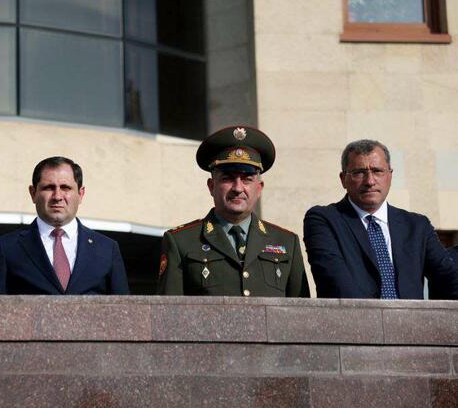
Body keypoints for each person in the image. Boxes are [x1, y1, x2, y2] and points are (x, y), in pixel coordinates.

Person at [157, 126, 308, 297]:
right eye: (227, 178)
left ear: (259, 188)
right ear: (211, 186)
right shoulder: (181, 241)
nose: (238, 188)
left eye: (247, 179)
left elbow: (302, 311)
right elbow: (168, 310)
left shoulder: (287, 243)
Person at [303, 139, 458, 299]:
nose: (370, 181)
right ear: (343, 179)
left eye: (377, 171)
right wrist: (381, 314)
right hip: (352, 315)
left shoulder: (417, 226)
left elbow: (449, 279)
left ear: (390, 176)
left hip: (410, 316)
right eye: (359, 172)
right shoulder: (324, 221)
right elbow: (334, 283)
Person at [0, 156, 129, 295]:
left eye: (66, 188)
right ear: (33, 193)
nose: (57, 196)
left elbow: (123, 308)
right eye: (48, 187)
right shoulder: (6, 247)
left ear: (81, 194)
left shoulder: (107, 249)